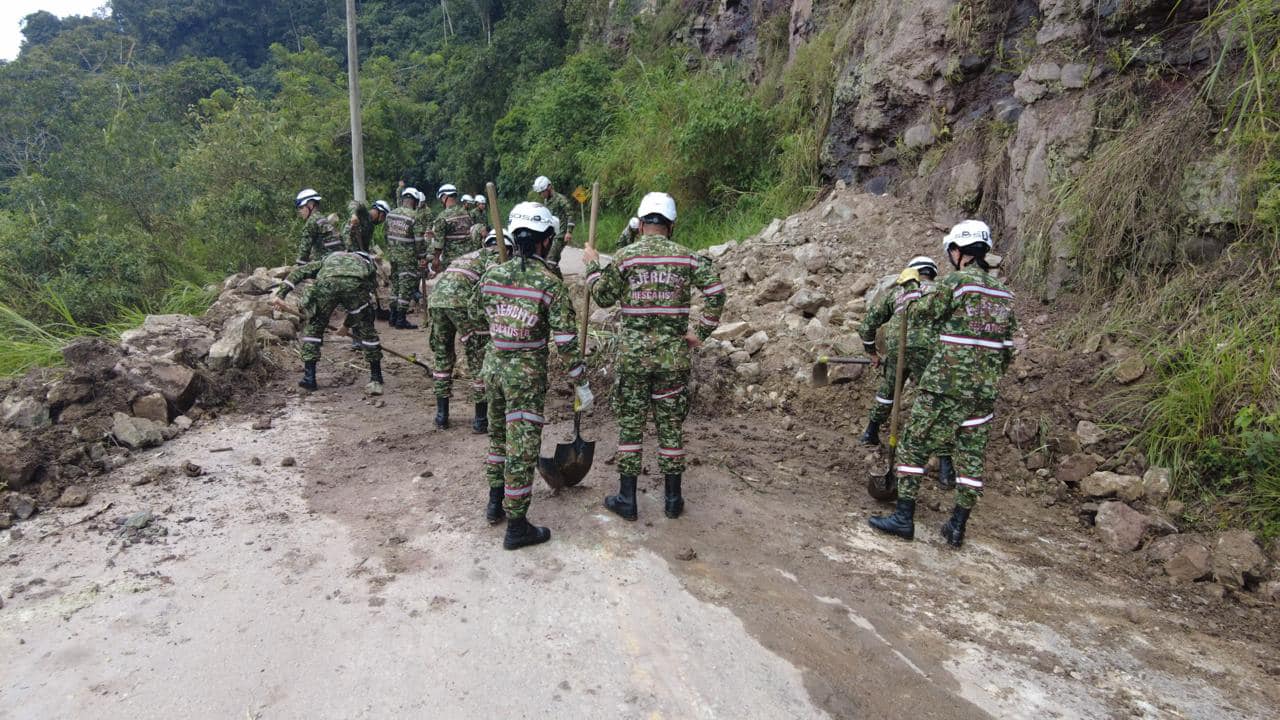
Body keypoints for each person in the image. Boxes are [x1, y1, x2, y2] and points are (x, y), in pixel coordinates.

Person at [868, 220, 1017, 548]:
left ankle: (903, 518)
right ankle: (957, 526)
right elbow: (1008, 350)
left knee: (913, 444)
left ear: (958, 251)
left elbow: (923, 313)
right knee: (972, 456)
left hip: (944, 386)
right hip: (984, 393)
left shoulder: (957, 283)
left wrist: (909, 288)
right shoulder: (1005, 296)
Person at [583, 192, 726, 521]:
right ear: (671, 225)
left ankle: (627, 499)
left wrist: (591, 265)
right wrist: (700, 333)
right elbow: (716, 293)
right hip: (672, 360)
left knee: (631, 427)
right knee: (670, 427)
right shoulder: (687, 258)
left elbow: (602, 297)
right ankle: (673, 501)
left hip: (633, 359)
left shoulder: (626, 257)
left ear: (642, 223)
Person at [470, 202, 587, 549]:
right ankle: (517, 526)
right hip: (524, 379)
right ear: (544, 240)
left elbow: (477, 315)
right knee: (521, 449)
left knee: (497, 440)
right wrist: (580, 380)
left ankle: (495, 503)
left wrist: (504, 324)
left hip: (493, 370)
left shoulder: (492, 276)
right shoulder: (548, 283)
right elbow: (566, 342)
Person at [857, 256, 956, 487]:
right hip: (931, 350)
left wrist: (871, 351)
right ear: (932, 272)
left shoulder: (896, 294)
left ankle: (870, 432)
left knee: (888, 390)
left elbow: (868, 324)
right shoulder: (943, 290)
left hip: (897, 348)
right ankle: (945, 467)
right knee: (935, 402)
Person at [428, 228, 511, 431]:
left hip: (437, 301)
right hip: (462, 304)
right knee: (478, 359)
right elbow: (493, 282)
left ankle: (441, 417)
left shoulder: (468, 256)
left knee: (442, 356)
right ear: (506, 248)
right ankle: (481, 421)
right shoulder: (496, 255)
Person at [273, 249, 384, 396]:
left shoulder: (326, 260)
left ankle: (309, 379)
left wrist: (280, 295)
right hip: (354, 285)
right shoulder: (367, 264)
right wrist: (347, 325)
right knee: (367, 326)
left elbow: (298, 273)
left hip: (327, 284)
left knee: (314, 327)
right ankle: (376, 377)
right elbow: (364, 302)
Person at [384, 188, 425, 329]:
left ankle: (392, 317)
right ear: (414, 201)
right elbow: (419, 240)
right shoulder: (415, 216)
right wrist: (422, 256)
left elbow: (386, 236)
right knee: (406, 288)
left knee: (395, 286)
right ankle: (401, 319)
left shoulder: (390, 215)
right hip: (407, 258)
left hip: (393, 256)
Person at [430, 184, 481, 274]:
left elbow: (439, 243)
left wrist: (436, 259)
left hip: (452, 262)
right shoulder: (466, 213)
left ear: (444, 197)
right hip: (468, 258)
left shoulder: (442, 217)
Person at [532, 175, 575, 272]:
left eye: (542, 192)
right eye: (540, 193)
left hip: (561, 234)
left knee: (551, 260)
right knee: (548, 260)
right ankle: (558, 281)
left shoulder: (561, 199)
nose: (541, 195)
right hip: (552, 234)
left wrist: (569, 232)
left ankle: (554, 283)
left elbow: (570, 214)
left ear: (549, 187)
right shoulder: (547, 201)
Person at [294, 189, 344, 265]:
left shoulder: (312, 221)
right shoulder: (322, 219)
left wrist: (297, 267)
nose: (299, 211)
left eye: (301, 207)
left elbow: (304, 252)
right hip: (340, 259)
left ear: (310, 205)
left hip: (328, 262)